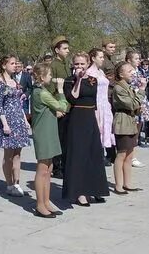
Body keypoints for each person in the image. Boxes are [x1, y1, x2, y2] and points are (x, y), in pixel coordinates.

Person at [63, 52, 110, 206]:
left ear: (88, 63)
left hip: (90, 117)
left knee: (93, 154)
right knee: (79, 154)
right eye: (77, 64)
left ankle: (95, 189)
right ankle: (80, 192)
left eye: (82, 64)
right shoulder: (69, 80)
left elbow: (94, 100)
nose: (80, 67)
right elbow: (73, 97)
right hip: (77, 118)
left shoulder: (93, 80)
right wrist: (78, 79)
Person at [29, 63, 69, 218]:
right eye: (50, 74)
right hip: (43, 133)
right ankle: (40, 205)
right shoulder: (41, 93)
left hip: (49, 131)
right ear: (42, 76)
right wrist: (60, 90)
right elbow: (62, 106)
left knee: (49, 167)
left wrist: (55, 110)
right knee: (43, 169)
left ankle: (46, 201)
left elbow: (52, 108)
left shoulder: (42, 90)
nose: (52, 77)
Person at [0, 55, 31, 196]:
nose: (14, 66)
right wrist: (4, 124)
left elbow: (19, 102)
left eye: (15, 63)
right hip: (8, 120)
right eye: (12, 63)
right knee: (9, 154)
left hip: (18, 118)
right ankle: (9, 184)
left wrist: (24, 119)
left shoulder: (14, 81)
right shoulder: (0, 82)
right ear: (4, 65)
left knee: (18, 154)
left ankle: (17, 182)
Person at [111, 61, 146, 196]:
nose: (133, 73)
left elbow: (135, 105)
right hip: (123, 122)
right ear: (121, 74)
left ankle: (127, 183)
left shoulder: (128, 87)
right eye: (129, 71)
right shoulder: (119, 88)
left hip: (131, 121)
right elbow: (131, 104)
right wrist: (142, 90)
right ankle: (118, 185)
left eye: (133, 71)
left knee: (130, 154)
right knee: (121, 154)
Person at [49, 36, 71, 178]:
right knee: (59, 138)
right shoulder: (53, 65)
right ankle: (57, 167)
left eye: (68, 48)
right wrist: (56, 108)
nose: (68, 51)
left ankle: (64, 164)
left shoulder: (65, 63)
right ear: (57, 50)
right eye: (64, 48)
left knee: (66, 137)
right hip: (59, 105)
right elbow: (51, 89)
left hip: (67, 103)